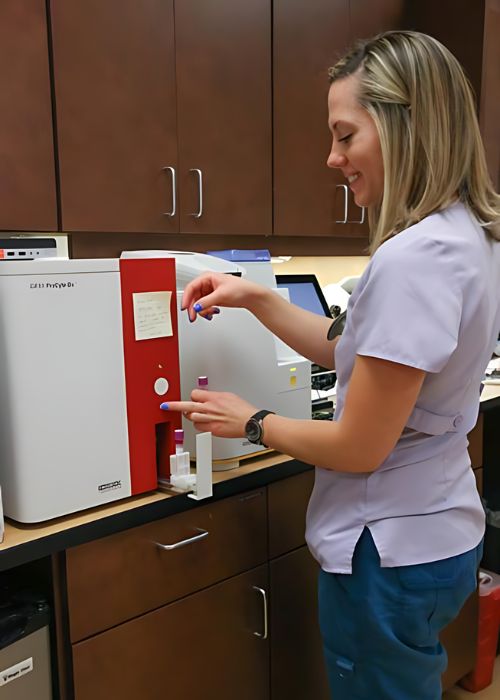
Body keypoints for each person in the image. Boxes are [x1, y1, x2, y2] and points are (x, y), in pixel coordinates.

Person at [161, 31, 500, 700]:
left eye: (346, 135)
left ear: (405, 126)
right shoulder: (468, 236)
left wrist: (251, 421)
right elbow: (353, 348)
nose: (332, 156)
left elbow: (360, 445)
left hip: (389, 552)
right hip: (440, 530)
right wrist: (258, 297)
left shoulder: (413, 260)